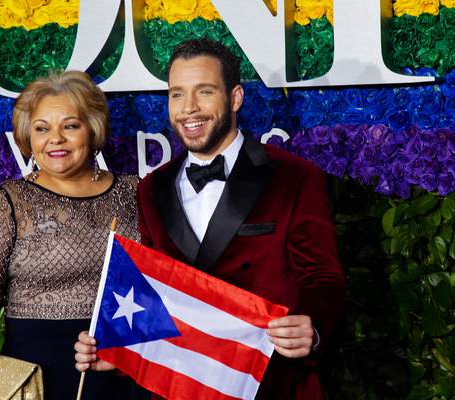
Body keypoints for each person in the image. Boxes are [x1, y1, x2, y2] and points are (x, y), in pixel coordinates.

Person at [75, 38, 346, 399]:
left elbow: (323, 278)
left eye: (204, 92)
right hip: (181, 385)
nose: (189, 109)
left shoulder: (295, 177)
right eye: (176, 94)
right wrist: (124, 351)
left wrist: (313, 332)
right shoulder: (151, 188)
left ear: (234, 98)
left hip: (272, 383)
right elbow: (157, 294)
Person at [0, 70, 142, 400]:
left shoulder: (135, 193)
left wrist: (133, 352)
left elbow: (162, 288)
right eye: (42, 129)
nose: (55, 138)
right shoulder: (7, 203)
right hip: (35, 380)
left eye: (69, 126)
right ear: (29, 137)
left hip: (124, 374)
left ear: (93, 129)